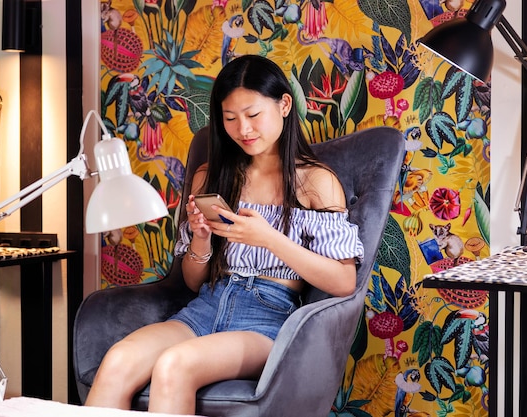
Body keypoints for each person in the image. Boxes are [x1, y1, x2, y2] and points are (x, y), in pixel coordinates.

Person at [84, 55, 364, 414]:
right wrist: (201, 239)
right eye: (230, 119)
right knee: (118, 360)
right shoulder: (210, 177)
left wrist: (269, 238)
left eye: (252, 115)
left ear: (284, 105)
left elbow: (343, 281)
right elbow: (192, 280)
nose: (242, 129)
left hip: (268, 317)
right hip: (206, 306)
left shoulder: (315, 182)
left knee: (175, 365)